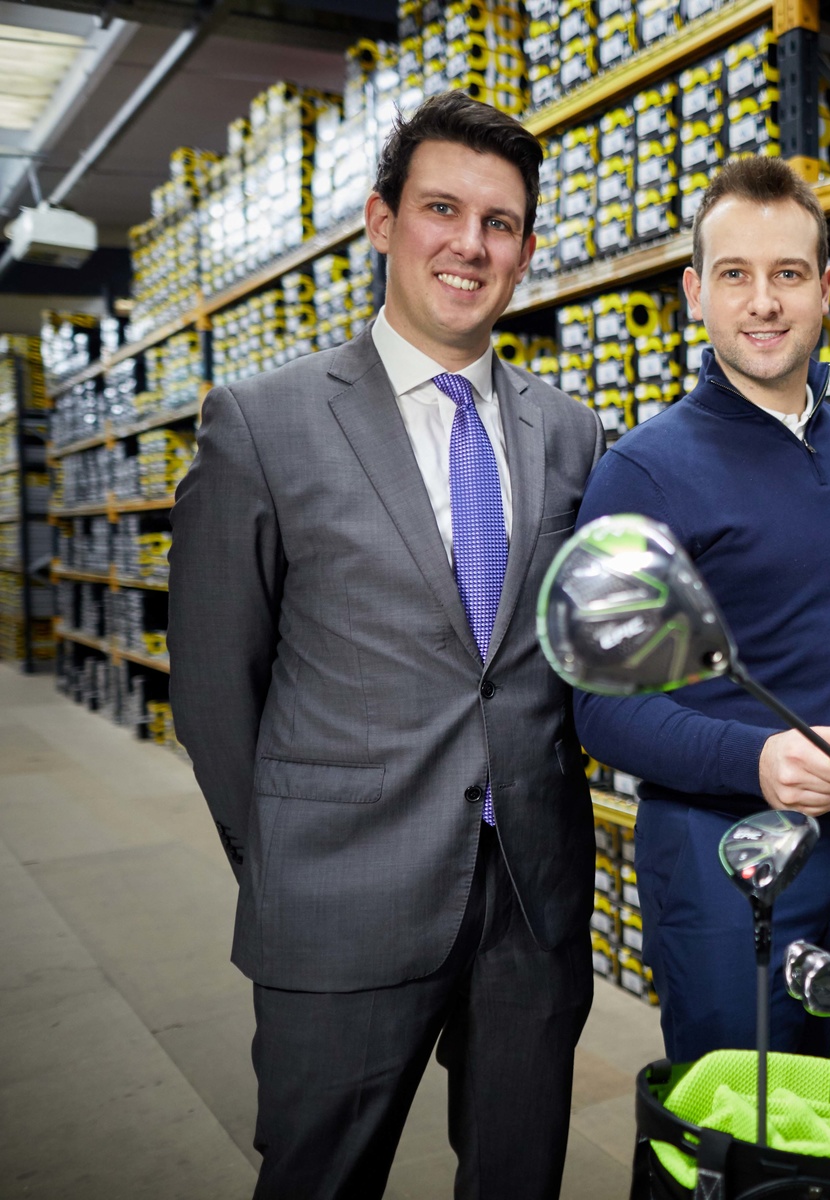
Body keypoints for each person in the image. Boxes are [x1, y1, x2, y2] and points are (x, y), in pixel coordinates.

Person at [169, 92, 606, 1199]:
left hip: (531, 896)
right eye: (441, 210)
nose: (470, 244)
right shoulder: (260, 421)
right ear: (380, 221)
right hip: (343, 894)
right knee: (322, 1177)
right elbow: (217, 687)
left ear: (525, 249)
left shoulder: (570, 429)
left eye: (499, 223)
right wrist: (284, 863)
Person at [570, 157, 830, 1062]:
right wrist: (755, 759)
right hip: (728, 859)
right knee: (736, 1136)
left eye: (788, 274)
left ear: (826, 290)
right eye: (735, 276)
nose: (764, 303)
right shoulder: (641, 470)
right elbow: (600, 709)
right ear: (693, 293)